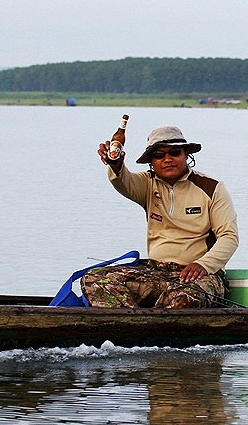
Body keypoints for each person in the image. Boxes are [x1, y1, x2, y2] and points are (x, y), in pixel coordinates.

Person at [82, 125, 239, 308]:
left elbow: (229, 237)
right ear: (151, 161)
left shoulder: (212, 188)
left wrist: (203, 265)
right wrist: (115, 163)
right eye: (159, 155)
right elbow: (122, 180)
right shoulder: (147, 184)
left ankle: (148, 323)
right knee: (93, 279)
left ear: (186, 154)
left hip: (200, 275)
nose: (167, 159)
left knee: (184, 298)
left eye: (174, 152)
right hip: (154, 272)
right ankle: (134, 324)